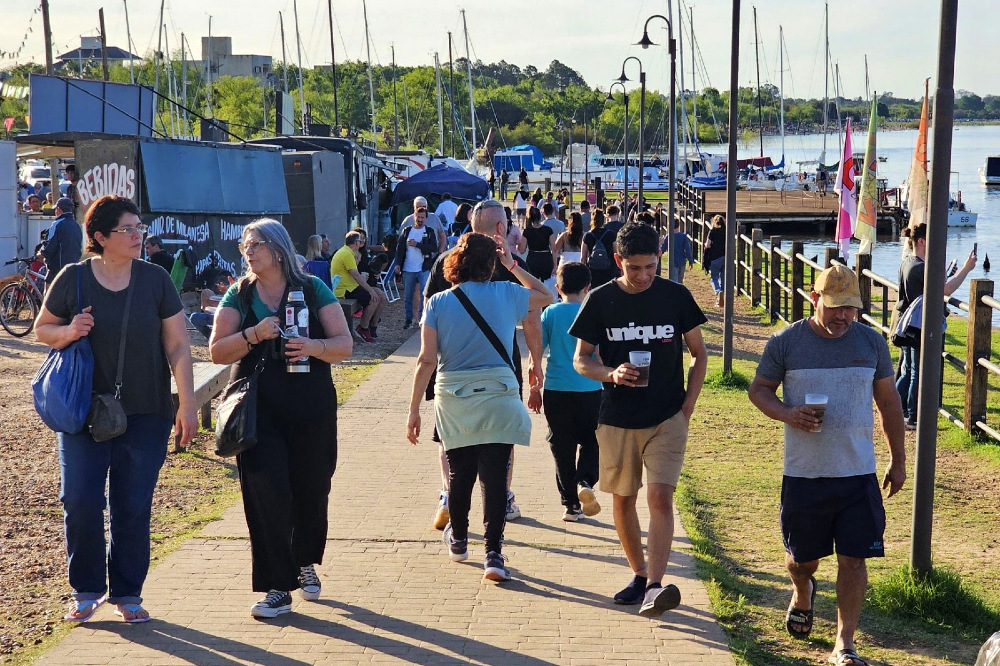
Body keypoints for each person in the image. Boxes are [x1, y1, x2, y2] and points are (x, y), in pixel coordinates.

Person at [34, 195, 198, 624]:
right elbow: (42, 330)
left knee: (132, 504)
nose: (138, 235)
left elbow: (179, 345)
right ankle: (86, 590)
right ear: (100, 237)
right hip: (83, 411)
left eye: (139, 227)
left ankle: (128, 594)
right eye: (127, 229)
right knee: (81, 500)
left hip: (147, 411)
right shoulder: (73, 278)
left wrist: (188, 404)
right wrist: (69, 330)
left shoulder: (156, 279)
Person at [747, 264, 906, 666]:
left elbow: (889, 404)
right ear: (814, 299)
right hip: (805, 474)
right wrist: (787, 413)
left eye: (850, 308)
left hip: (857, 474)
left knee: (854, 558)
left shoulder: (871, 343)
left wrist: (898, 459)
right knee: (802, 560)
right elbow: (759, 389)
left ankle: (844, 644)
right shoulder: (786, 342)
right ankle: (802, 590)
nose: (842, 317)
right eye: (834, 307)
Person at [210, 218, 353, 619]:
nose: (248, 252)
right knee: (267, 494)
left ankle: (304, 559)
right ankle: (277, 585)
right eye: (244, 246)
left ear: (277, 248)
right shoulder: (240, 295)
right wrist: (254, 334)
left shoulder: (312, 288)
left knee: (312, 488)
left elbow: (345, 345)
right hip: (258, 411)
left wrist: (313, 345)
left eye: (255, 244)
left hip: (311, 406)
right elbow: (217, 351)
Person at [570, 222, 708, 618]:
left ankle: (654, 586)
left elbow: (699, 354)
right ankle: (639, 572)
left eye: (651, 267)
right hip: (617, 418)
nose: (644, 275)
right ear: (618, 261)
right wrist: (611, 373)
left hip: (668, 417)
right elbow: (582, 359)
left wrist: (688, 406)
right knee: (624, 498)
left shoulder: (676, 296)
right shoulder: (599, 300)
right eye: (635, 268)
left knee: (660, 497)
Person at [407, 231, 551, 582]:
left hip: (453, 394)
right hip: (500, 392)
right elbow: (547, 295)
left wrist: (414, 410)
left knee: (460, 474)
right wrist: (512, 264)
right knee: (495, 476)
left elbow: (426, 360)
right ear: (491, 264)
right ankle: (494, 553)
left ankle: (458, 539)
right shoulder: (508, 292)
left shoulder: (438, 302)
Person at [424, 199, 546, 530]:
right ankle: (502, 497)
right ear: (501, 229)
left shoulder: (444, 263)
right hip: (501, 367)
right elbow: (533, 318)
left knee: (449, 438)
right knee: (501, 434)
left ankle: (450, 495)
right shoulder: (510, 264)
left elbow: (429, 313)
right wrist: (536, 363)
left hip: (450, 368)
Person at [894, 222, 976, 430]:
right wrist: (966, 269)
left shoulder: (908, 262)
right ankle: (913, 417)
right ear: (922, 242)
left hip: (907, 323)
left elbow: (930, 287)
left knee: (908, 371)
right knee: (916, 373)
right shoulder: (921, 267)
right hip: (919, 325)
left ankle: (896, 410)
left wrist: (945, 273)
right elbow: (945, 291)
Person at [540, 262, 602, 521]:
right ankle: (585, 481)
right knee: (592, 440)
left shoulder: (550, 313)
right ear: (588, 288)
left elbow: (538, 348)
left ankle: (570, 505)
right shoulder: (596, 312)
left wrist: (534, 381)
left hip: (556, 388)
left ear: (557, 288)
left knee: (561, 445)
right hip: (591, 386)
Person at [332, 231, 387, 342]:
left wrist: (371, 289)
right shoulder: (347, 254)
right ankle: (363, 328)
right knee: (373, 298)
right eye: (360, 241)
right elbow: (356, 276)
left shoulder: (347, 252)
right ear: (356, 242)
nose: (361, 243)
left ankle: (372, 327)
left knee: (381, 295)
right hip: (344, 289)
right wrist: (370, 290)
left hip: (350, 285)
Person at [395, 205, 440, 329]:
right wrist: (398, 264)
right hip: (408, 268)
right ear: (414, 217)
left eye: (422, 217)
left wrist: (418, 245)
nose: (420, 219)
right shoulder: (407, 231)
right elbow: (400, 249)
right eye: (418, 217)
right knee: (408, 296)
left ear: (426, 218)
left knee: (424, 294)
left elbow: (433, 247)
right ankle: (409, 319)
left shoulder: (429, 232)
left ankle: (422, 318)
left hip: (423, 268)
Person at [41, 197, 84, 287]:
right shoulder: (76, 225)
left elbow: (49, 247)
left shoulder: (57, 224)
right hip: (74, 267)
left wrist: (41, 253)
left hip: (57, 268)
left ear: (59, 209)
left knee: (48, 296)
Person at [189, 270, 233, 340]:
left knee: (196, 317)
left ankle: (215, 338)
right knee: (195, 317)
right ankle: (212, 338)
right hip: (219, 315)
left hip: (230, 318)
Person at [582, 208, 617, 287]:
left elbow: (583, 257)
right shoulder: (610, 234)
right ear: (604, 220)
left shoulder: (588, 235)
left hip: (593, 269)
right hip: (608, 268)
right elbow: (616, 252)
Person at [523, 205, 555, 282]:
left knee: (533, 283)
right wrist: (555, 265)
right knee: (547, 283)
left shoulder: (527, 231)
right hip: (546, 257)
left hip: (533, 257)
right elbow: (554, 248)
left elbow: (522, 250)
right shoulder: (548, 230)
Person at [704, 214, 727, 308]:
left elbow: (708, 245)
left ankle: (718, 292)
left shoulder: (713, 231)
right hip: (725, 257)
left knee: (714, 277)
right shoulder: (727, 231)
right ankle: (722, 296)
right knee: (723, 277)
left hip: (715, 257)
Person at [669, 219, 694, 283]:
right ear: (678, 226)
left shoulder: (669, 236)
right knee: (680, 281)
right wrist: (690, 260)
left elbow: (662, 248)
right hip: (682, 261)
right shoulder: (683, 236)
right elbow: (687, 249)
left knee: (674, 280)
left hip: (673, 261)